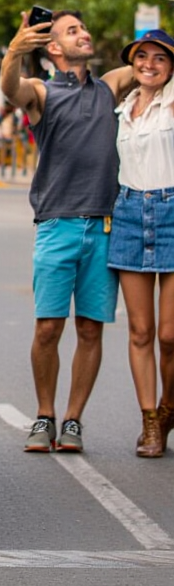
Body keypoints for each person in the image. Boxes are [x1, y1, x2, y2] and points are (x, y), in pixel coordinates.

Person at [1, 9, 133, 454]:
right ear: (53, 48)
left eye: (83, 28)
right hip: (56, 225)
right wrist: (14, 52)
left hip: (104, 226)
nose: (85, 34)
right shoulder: (42, 92)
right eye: (72, 31)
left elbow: (158, 61)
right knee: (47, 330)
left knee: (91, 330)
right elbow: (10, 90)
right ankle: (45, 415)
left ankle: (74, 420)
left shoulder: (110, 86)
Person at [107, 28, 174, 457]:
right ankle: (151, 421)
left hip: (171, 211)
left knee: (170, 335)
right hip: (130, 213)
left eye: (160, 59)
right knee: (140, 331)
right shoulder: (121, 109)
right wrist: (135, 71)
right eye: (141, 57)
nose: (149, 64)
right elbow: (112, 80)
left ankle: (169, 406)